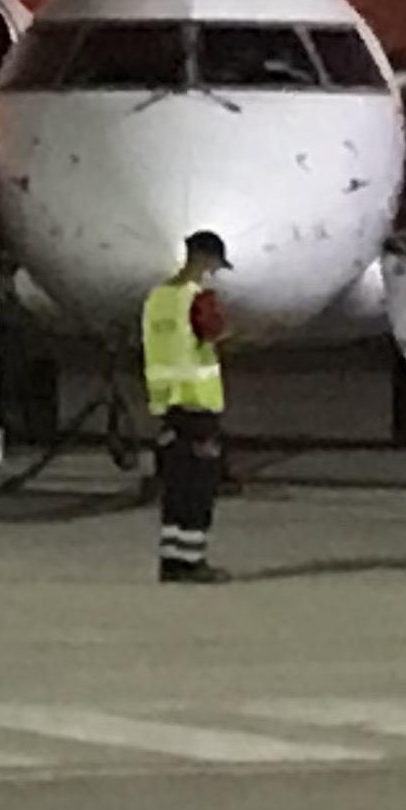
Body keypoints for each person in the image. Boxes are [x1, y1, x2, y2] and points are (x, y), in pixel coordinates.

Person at [138, 231, 233, 584]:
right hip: (198, 406)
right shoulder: (199, 299)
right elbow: (212, 333)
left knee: (175, 486)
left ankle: (171, 559)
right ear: (206, 260)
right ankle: (193, 561)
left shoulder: (157, 299)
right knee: (200, 488)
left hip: (167, 406)